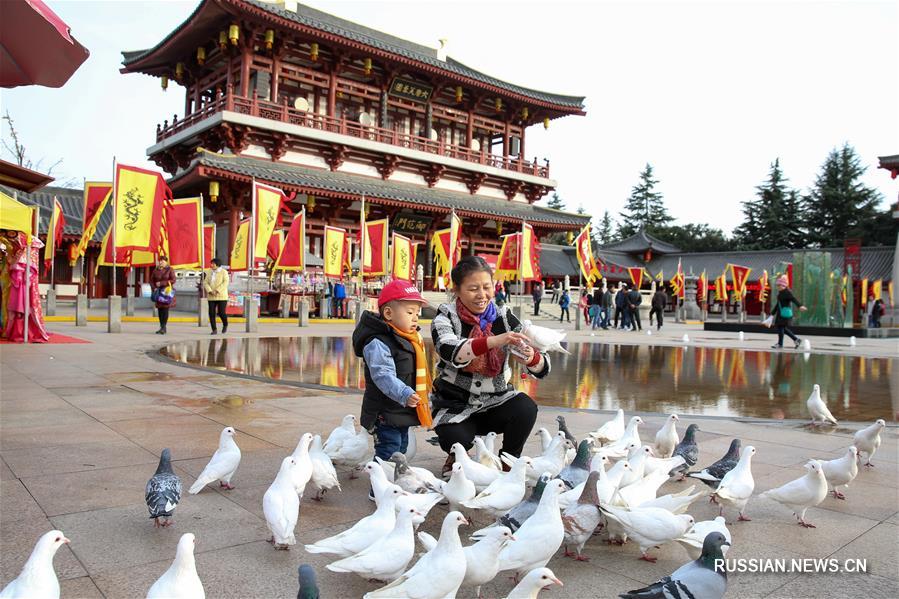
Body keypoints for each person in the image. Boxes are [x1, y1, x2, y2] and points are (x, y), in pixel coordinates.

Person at [430, 256, 550, 476]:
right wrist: (496, 340)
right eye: (473, 288)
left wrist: (531, 356)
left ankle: (508, 461)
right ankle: (457, 457)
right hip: (455, 403)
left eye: (487, 287)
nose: (482, 295)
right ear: (456, 289)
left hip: (496, 400)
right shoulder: (445, 317)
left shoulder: (504, 317)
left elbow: (542, 365)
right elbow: (450, 351)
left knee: (525, 408)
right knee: (454, 438)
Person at [352, 280, 431, 500]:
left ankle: (393, 484)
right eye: (409, 312)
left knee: (401, 448)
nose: (415, 317)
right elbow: (382, 375)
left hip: (401, 410)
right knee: (388, 449)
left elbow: (417, 374)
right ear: (388, 313)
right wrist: (405, 393)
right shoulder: (378, 342)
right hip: (385, 410)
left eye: (417, 312)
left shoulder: (410, 339)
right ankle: (377, 490)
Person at [770, 275, 806, 349]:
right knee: (782, 328)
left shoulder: (787, 292)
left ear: (784, 285)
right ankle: (796, 339)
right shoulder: (780, 293)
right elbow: (778, 304)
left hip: (785, 314)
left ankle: (780, 344)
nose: (778, 287)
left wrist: (800, 306)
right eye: (778, 285)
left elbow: (793, 299)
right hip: (780, 313)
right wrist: (772, 314)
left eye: (779, 285)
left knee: (781, 328)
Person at [151, 256, 176, 335]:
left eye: (163, 261)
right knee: (160, 310)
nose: (161, 262)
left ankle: (164, 327)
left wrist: (162, 283)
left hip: (166, 292)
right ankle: (161, 327)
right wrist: (154, 287)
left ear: (166, 262)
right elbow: (151, 281)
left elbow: (173, 280)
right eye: (160, 261)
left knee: (165, 310)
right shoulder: (156, 270)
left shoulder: (170, 269)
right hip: (158, 292)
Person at [204, 258, 229, 334]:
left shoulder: (224, 272)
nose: (211, 265)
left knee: (221, 313)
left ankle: (225, 324)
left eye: (213, 264)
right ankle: (214, 329)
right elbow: (205, 282)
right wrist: (210, 291)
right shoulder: (209, 272)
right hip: (211, 296)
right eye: (211, 263)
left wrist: (217, 290)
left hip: (221, 296)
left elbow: (225, 282)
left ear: (217, 264)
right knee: (211, 313)